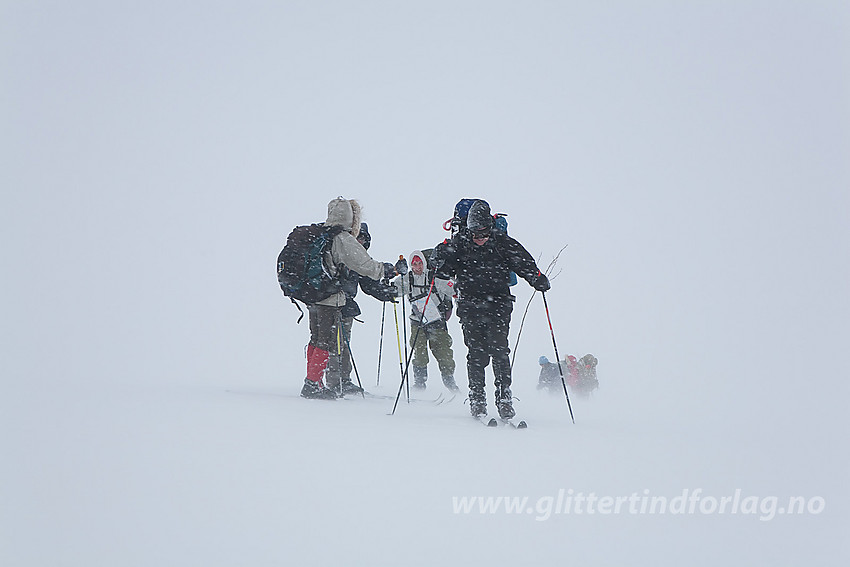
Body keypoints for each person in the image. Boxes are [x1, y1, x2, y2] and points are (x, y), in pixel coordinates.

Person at [431, 199, 550, 419]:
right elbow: (443, 271)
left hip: (499, 304)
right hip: (469, 305)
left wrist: (537, 278)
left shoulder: (502, 242)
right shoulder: (459, 243)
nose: (479, 239)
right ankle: (477, 399)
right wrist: (438, 259)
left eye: (483, 234)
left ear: (489, 228)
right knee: (477, 355)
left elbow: (523, 262)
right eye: (475, 235)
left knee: (500, 351)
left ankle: (504, 398)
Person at [301, 198, 397, 400]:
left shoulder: (321, 235)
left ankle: (315, 382)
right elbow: (365, 266)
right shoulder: (341, 238)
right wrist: (385, 270)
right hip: (329, 298)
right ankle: (314, 385)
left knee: (317, 340)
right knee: (326, 342)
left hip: (314, 296)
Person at [325, 223, 396, 396]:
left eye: (363, 238)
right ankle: (335, 382)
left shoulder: (360, 260)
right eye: (358, 237)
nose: (360, 241)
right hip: (332, 303)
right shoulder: (341, 253)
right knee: (335, 344)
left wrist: (390, 292)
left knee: (343, 344)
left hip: (345, 305)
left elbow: (369, 285)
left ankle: (344, 380)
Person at [393, 250, 458, 392]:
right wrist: (392, 274)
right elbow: (393, 290)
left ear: (424, 263)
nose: (417, 267)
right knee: (419, 353)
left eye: (420, 263)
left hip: (437, 322)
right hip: (418, 322)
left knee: (444, 354)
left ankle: (450, 383)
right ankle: (419, 384)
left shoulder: (435, 277)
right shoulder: (407, 279)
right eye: (414, 264)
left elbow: (454, 289)